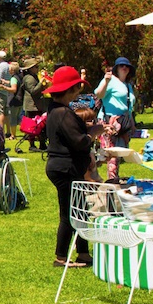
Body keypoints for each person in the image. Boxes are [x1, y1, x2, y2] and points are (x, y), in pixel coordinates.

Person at [45, 65, 102, 268]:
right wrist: (93, 133)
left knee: (80, 210)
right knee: (70, 214)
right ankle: (61, 257)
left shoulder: (55, 110)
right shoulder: (63, 113)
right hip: (65, 167)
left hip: (62, 166)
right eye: (76, 89)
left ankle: (83, 253)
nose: (78, 92)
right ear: (69, 90)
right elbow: (79, 142)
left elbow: (69, 133)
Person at [93, 57, 137, 180]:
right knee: (111, 153)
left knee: (117, 154)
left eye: (127, 66)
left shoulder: (128, 85)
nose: (124, 68)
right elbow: (98, 94)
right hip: (109, 122)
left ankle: (106, 175)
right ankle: (112, 182)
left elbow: (129, 106)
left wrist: (132, 123)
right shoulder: (110, 80)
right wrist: (106, 82)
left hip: (123, 123)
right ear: (116, 68)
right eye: (121, 65)